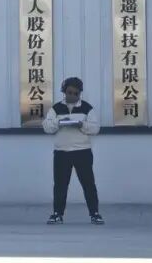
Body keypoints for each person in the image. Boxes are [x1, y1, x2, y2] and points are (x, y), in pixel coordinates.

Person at [42, 76, 103, 225]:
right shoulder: (56, 108)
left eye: (76, 93)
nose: (73, 96)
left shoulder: (87, 108)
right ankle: (57, 214)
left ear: (80, 93)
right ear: (64, 92)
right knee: (60, 185)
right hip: (61, 152)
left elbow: (95, 128)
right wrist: (59, 122)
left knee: (88, 183)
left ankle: (94, 213)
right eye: (70, 92)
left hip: (82, 151)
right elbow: (47, 127)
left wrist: (82, 125)